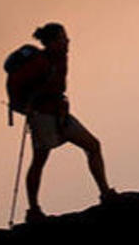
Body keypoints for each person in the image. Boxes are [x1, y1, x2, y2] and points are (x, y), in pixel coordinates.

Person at [23, 22, 116, 223]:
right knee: (39, 161)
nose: (67, 41)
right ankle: (33, 210)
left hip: (59, 114)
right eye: (63, 38)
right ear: (53, 42)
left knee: (93, 145)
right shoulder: (41, 62)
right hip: (44, 117)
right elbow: (34, 91)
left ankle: (105, 193)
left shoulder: (59, 58)